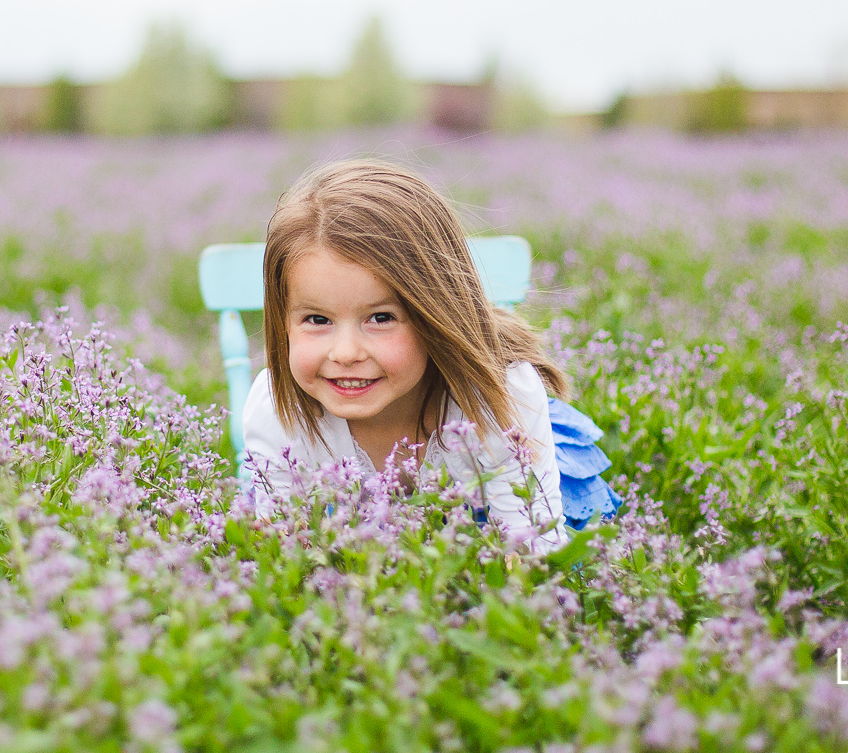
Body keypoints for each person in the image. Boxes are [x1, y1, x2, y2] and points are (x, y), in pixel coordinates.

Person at [239, 159, 620, 553]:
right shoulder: (276, 409)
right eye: (317, 319)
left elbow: (531, 551)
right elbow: (284, 558)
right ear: (282, 322)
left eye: (381, 318)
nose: (346, 353)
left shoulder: (502, 401)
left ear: (435, 314)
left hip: (494, 505)